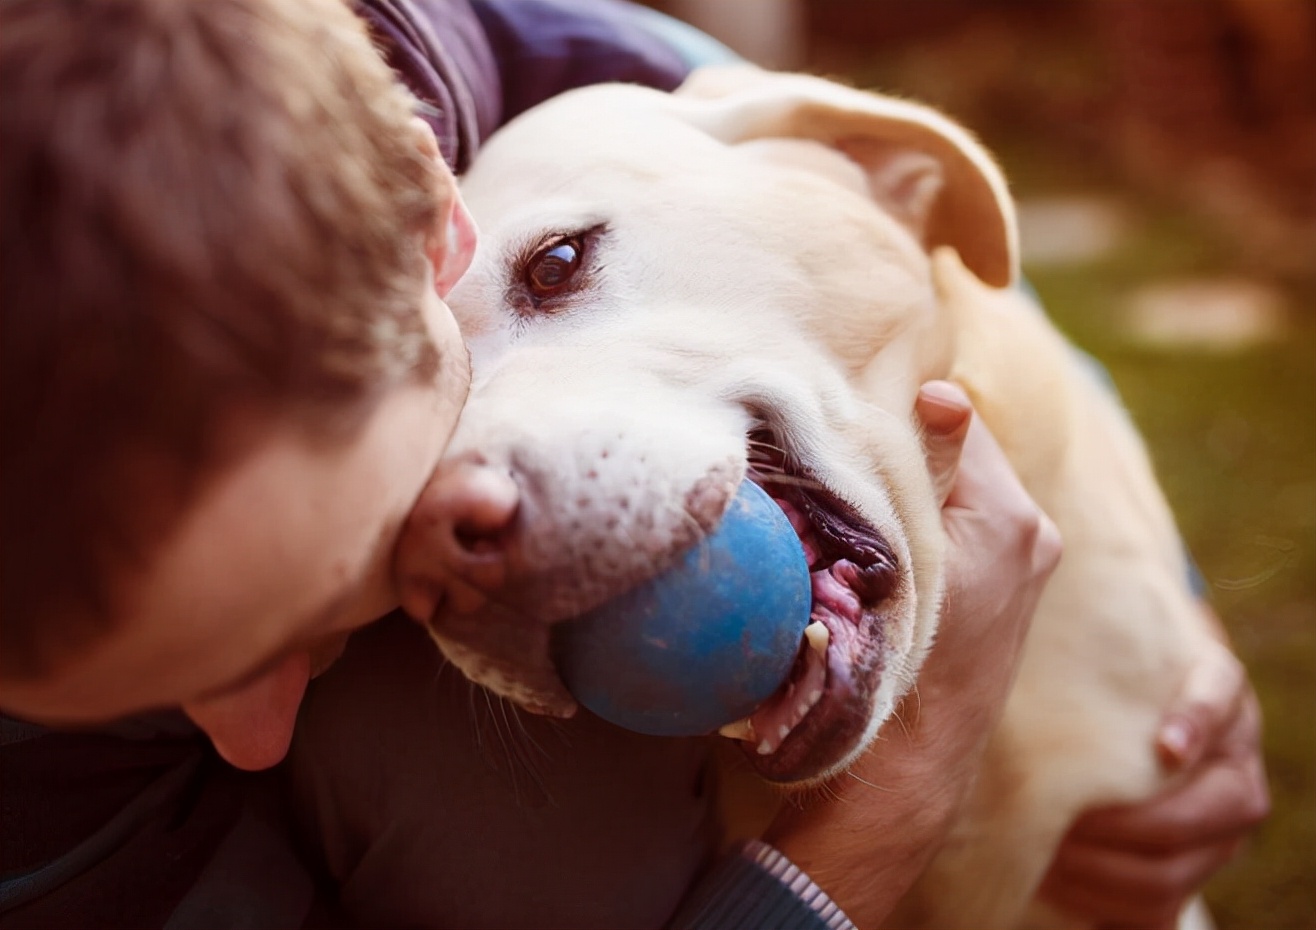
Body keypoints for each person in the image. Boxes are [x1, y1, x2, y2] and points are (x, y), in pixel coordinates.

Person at [0, 0, 1266, 927]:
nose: (482, 489)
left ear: (427, 229)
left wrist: (1168, 652)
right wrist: (863, 840)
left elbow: (918, 267)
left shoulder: (610, 88)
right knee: (494, 814)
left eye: (552, 273)